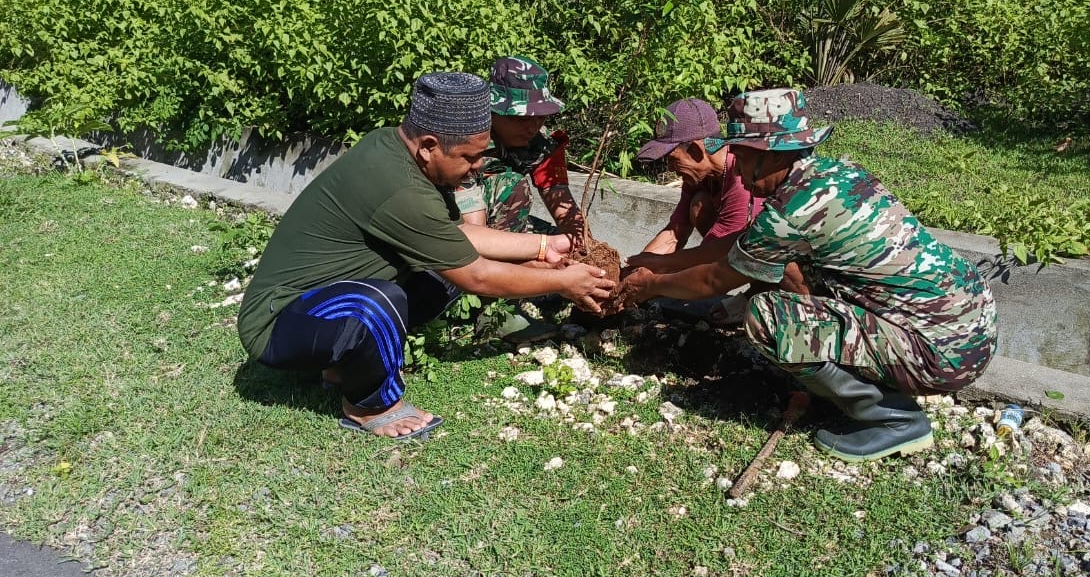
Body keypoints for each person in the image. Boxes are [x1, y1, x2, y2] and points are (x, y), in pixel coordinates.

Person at [617, 88, 997, 462]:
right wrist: (658, 264)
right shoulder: (842, 174)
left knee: (768, 317)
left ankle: (894, 419)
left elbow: (713, 281)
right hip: (970, 325)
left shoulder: (790, 213)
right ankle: (858, 381)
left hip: (941, 353)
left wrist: (651, 285)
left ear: (767, 155)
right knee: (804, 281)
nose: (741, 173)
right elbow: (740, 245)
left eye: (742, 157)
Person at [237, 71, 614, 440]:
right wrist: (562, 282)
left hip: (321, 307)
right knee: (379, 302)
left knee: (439, 275)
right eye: (470, 157)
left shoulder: (396, 148)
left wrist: (546, 246)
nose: (477, 166)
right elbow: (477, 276)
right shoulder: (399, 188)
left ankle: (339, 367)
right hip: (278, 324)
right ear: (429, 146)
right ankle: (370, 405)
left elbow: (458, 236)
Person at [455, 56, 588, 342]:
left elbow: (561, 202)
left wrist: (585, 249)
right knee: (513, 187)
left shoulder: (541, 145)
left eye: (540, 117)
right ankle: (494, 310)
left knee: (563, 244)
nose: (532, 127)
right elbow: (472, 233)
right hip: (454, 233)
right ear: (492, 111)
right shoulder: (465, 141)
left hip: (492, 225)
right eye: (521, 118)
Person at [628, 97, 762, 273]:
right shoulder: (698, 176)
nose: (670, 168)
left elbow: (716, 251)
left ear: (695, 150)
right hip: (723, 248)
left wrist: (652, 279)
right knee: (699, 203)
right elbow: (675, 233)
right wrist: (635, 269)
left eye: (672, 159)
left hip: (764, 256)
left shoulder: (741, 178)